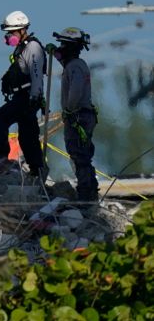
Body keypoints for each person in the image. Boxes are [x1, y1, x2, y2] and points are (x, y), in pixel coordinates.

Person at [0, 11, 47, 178]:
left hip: (28, 97)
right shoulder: (21, 48)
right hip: (21, 97)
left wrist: (34, 98)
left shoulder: (33, 47)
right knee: (27, 136)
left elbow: (36, 75)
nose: (9, 36)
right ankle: (37, 169)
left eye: (12, 32)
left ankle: (2, 158)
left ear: (22, 30)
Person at [49, 27, 98, 202]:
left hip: (78, 116)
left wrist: (69, 109)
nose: (60, 48)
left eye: (63, 45)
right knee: (81, 154)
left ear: (71, 47)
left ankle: (86, 194)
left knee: (79, 154)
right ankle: (90, 191)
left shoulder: (75, 66)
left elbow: (76, 91)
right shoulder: (76, 65)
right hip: (83, 115)